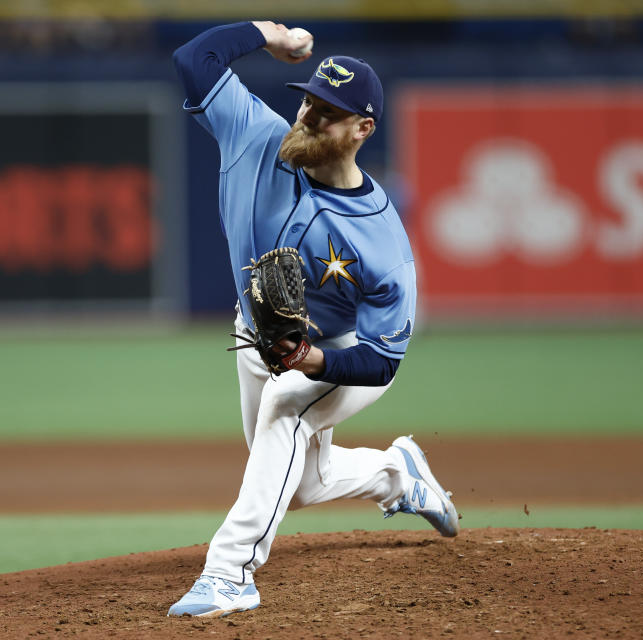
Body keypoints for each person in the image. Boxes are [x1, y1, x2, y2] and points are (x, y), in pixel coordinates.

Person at [167, 22, 459, 618]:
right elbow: (193, 58)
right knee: (299, 485)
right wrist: (265, 33)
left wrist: (312, 360)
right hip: (257, 337)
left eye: (328, 112)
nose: (309, 117)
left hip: (339, 351)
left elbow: (382, 361)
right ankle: (397, 475)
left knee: (285, 407)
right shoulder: (254, 135)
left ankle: (230, 574)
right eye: (308, 101)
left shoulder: (382, 242)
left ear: (362, 128)